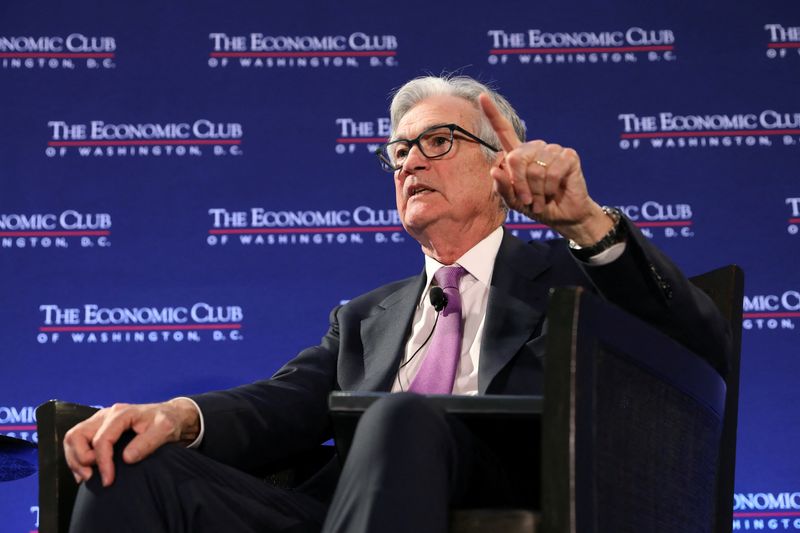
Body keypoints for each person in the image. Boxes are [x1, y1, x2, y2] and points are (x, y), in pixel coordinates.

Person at [64, 75, 730, 533]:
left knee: (401, 416)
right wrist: (177, 415)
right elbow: (283, 403)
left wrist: (585, 223)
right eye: (400, 150)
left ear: (503, 166)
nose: (411, 161)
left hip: (515, 496)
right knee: (128, 462)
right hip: (344, 509)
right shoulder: (364, 317)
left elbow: (702, 352)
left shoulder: (576, 279)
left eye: (438, 142)